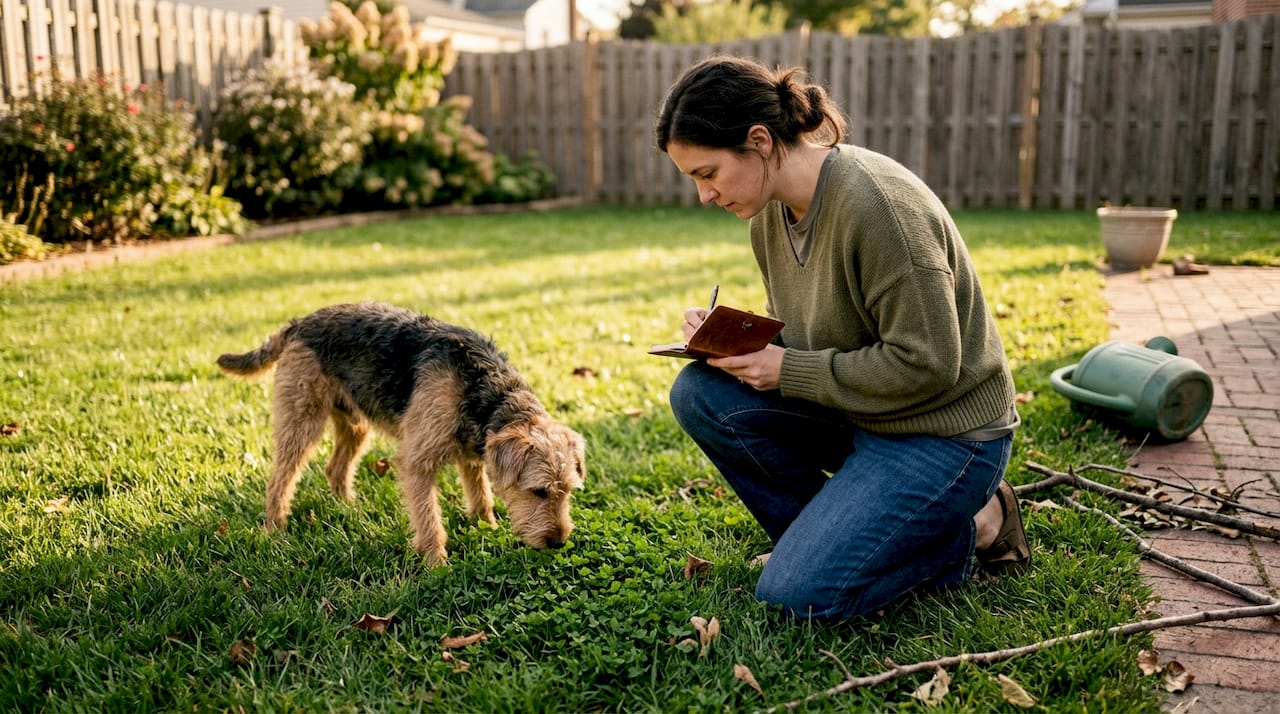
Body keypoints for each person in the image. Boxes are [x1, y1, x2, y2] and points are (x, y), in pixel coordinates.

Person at [656, 55, 1030, 620]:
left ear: (758, 141)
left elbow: (929, 364)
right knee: (700, 394)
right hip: (865, 416)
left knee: (796, 596)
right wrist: (733, 342)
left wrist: (786, 370)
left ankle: (969, 530)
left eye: (707, 174)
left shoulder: (879, 208)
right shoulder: (768, 214)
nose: (705, 195)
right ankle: (832, 537)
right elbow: (820, 328)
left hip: (946, 436)